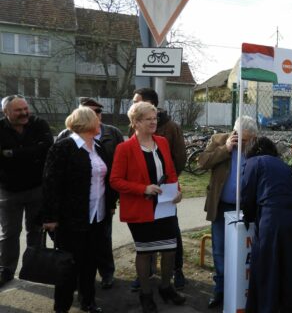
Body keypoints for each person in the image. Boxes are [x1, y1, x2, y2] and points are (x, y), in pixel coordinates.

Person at [110, 102, 185, 313]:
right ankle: (146, 294)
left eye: (155, 119)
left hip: (165, 206)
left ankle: (165, 287)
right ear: (135, 122)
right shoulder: (124, 148)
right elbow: (115, 180)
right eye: (148, 119)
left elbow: (170, 170)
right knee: (145, 252)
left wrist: (176, 190)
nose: (153, 122)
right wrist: (143, 188)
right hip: (140, 207)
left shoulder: (161, 142)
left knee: (170, 249)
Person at [41, 107, 114, 313]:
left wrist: (109, 205)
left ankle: (88, 301)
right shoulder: (64, 147)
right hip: (70, 218)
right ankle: (62, 307)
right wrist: (50, 217)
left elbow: (105, 181)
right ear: (87, 123)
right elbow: (50, 183)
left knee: (90, 262)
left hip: (96, 215)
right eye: (97, 120)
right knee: (68, 266)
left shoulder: (97, 147)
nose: (100, 123)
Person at [56, 97, 123, 289]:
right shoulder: (65, 140)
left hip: (101, 202)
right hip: (74, 208)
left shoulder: (110, 135)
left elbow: (114, 168)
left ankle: (104, 275)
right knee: (76, 248)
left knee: (102, 241)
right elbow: (53, 179)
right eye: (92, 113)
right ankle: (73, 285)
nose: (97, 116)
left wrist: (112, 201)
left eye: (99, 112)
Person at [241, 137, 292, 312]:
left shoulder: (253, 163)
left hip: (272, 221)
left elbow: (247, 195)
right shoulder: (283, 165)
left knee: (269, 270)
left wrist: (249, 217)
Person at [198, 116, 258, 309]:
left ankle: (244, 289)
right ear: (234, 133)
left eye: (247, 140)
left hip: (248, 207)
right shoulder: (218, 140)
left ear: (254, 137)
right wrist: (226, 149)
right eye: (240, 139)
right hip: (222, 206)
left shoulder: (258, 146)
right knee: (219, 250)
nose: (243, 143)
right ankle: (221, 290)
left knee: (247, 251)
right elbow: (202, 162)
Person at [132, 88, 188, 290]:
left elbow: (179, 160)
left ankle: (177, 271)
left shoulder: (171, 127)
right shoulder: (135, 126)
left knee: (172, 238)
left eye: (136, 101)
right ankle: (146, 276)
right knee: (146, 242)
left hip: (166, 194)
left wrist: (172, 186)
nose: (132, 103)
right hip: (144, 195)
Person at [0, 94, 53, 288]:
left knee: (36, 230)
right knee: (9, 233)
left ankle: (33, 268)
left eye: (25, 108)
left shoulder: (39, 124)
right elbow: (38, 151)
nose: (24, 113)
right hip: (8, 191)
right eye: (18, 110)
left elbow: (47, 148)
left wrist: (11, 154)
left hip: (37, 188)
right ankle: (5, 270)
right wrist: (32, 151)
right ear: (6, 112)